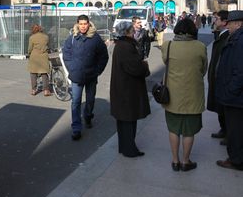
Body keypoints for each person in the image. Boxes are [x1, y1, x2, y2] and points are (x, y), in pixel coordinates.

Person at [161, 18, 207, 172]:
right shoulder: (200, 47)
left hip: (172, 94)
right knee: (189, 131)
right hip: (193, 94)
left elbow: (165, 62)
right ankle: (186, 161)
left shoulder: (168, 45)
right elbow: (203, 69)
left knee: (174, 129)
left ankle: (175, 161)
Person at [63, 14, 109, 141]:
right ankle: (76, 128)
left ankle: (88, 116)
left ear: (89, 24)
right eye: (81, 24)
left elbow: (104, 56)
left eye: (85, 24)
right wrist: (71, 67)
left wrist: (98, 70)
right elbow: (66, 53)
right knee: (75, 102)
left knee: (90, 100)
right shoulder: (72, 37)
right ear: (77, 24)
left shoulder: (95, 38)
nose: (83, 26)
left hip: (91, 75)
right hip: (76, 75)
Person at [110, 21, 151, 157]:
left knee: (125, 121)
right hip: (127, 90)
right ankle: (129, 149)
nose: (134, 32)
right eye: (132, 30)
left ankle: (126, 147)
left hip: (124, 88)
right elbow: (135, 68)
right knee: (128, 120)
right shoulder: (126, 46)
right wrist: (144, 66)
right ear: (127, 32)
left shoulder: (121, 45)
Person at [215, 10, 243, 171]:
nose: (229, 26)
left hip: (235, 96)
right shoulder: (237, 38)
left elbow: (240, 71)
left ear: (238, 24)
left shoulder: (239, 41)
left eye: (231, 23)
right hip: (234, 94)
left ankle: (236, 160)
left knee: (235, 130)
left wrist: (231, 90)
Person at [206, 10, 229, 143]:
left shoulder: (226, 38)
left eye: (217, 19)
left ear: (224, 22)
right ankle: (223, 130)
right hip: (217, 78)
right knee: (220, 108)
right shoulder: (221, 36)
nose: (214, 21)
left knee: (223, 108)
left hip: (221, 80)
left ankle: (227, 132)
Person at [27, 24, 51, 96]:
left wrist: (28, 53)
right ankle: (46, 90)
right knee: (44, 73)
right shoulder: (46, 37)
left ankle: (33, 90)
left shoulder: (32, 37)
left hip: (34, 56)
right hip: (44, 56)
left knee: (33, 73)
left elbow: (30, 48)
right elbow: (48, 46)